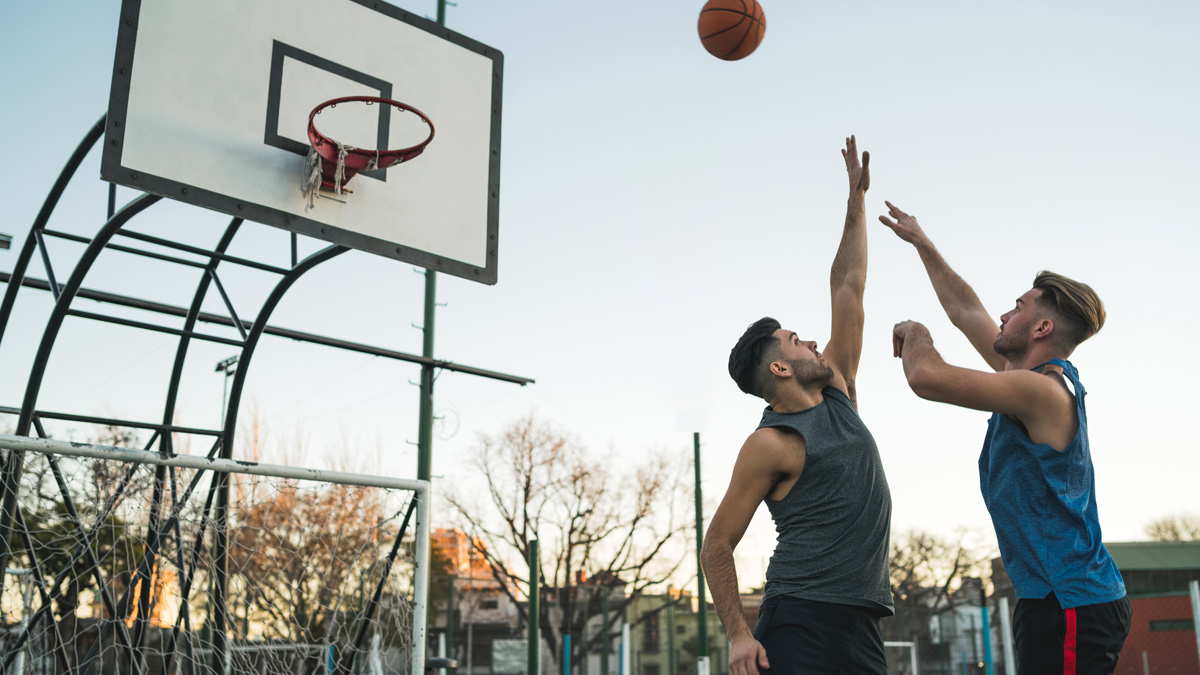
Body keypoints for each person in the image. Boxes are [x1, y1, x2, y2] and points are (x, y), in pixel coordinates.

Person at [881, 201, 1130, 674]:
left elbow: (925, 377)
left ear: (1041, 328)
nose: (1001, 314)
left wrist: (915, 331)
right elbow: (964, 307)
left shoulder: (1041, 391)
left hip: (1074, 600)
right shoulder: (1022, 381)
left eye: (1016, 308)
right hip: (1046, 598)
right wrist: (922, 243)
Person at [701, 136, 893, 675]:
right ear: (780, 368)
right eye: (795, 339)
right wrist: (738, 634)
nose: (811, 342)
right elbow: (717, 543)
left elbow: (849, 284)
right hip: (801, 621)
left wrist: (855, 200)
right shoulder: (771, 444)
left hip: (862, 623)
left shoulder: (839, 390)